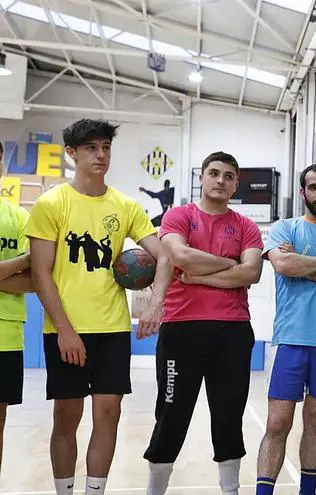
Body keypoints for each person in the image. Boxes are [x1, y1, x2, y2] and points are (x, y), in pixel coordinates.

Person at [26, 119, 171, 495]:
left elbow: (164, 257)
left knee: (109, 413)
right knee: (66, 416)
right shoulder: (51, 203)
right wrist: (65, 330)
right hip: (66, 329)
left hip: (112, 328)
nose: (101, 154)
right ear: (72, 153)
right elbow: (40, 273)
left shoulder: (125, 206)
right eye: (91, 147)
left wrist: (155, 305)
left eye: (106, 147)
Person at [143, 151, 264, 495]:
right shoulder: (179, 216)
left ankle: (230, 490)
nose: (220, 180)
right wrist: (230, 264)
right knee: (171, 415)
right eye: (214, 173)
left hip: (233, 330)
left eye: (228, 176)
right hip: (182, 329)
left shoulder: (246, 226)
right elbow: (180, 256)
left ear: (236, 184)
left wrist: (197, 276)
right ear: (201, 178)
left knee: (228, 416)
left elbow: (251, 273)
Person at [255, 163, 316, 495]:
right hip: (290, 340)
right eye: (313, 187)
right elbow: (282, 264)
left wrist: (301, 264)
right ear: (303, 192)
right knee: (277, 423)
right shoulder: (285, 228)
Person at [0, 141, 35, 476]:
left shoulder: (19, 217)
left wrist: (27, 264)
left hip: (6, 334)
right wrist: (21, 261)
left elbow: (36, 280)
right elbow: (27, 267)